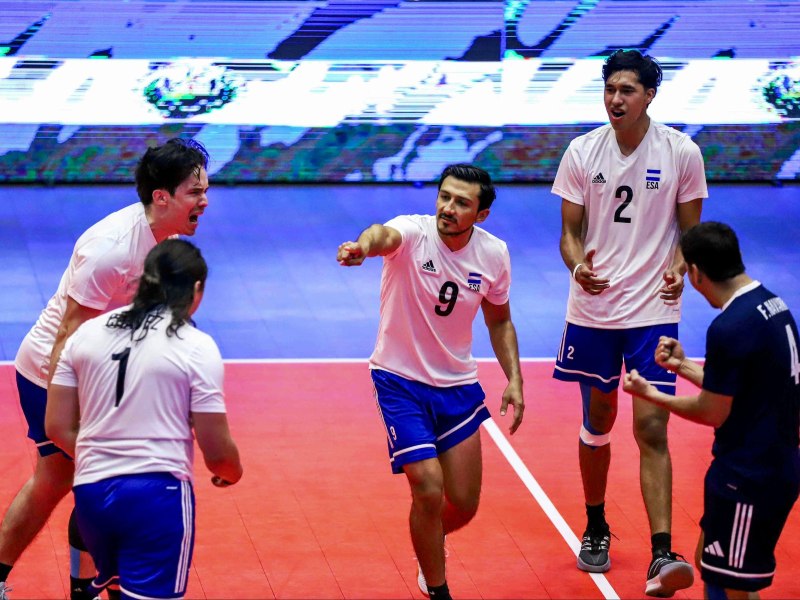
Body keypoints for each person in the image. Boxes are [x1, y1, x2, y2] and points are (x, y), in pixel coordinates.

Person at [1, 138, 210, 599]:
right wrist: (64, 413)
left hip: (97, 372)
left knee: (63, 480)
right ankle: (90, 585)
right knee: (84, 479)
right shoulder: (111, 250)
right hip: (50, 373)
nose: (204, 201)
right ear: (163, 197)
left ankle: (83, 583)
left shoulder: (164, 238)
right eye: (195, 192)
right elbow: (67, 335)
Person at [551, 48, 708, 596]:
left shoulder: (682, 152)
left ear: (649, 95)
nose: (616, 99)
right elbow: (569, 233)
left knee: (650, 427)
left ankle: (663, 551)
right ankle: (596, 524)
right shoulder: (581, 151)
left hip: (653, 313)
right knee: (599, 417)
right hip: (594, 311)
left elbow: (688, 234)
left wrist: (678, 267)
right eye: (610, 89)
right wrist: (578, 266)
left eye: (627, 90)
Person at [337, 164, 525, 600]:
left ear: (481, 215)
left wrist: (514, 378)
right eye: (444, 196)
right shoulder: (414, 233)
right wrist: (362, 248)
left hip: (457, 384)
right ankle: (437, 588)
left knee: (463, 503)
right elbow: (381, 234)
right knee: (427, 485)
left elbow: (500, 322)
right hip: (399, 380)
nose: (448, 207)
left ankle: (429, 546)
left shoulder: (494, 255)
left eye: (461, 202)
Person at [45, 238, 243, 600]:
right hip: (157, 497)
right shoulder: (195, 345)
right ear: (196, 289)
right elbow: (216, 451)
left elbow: (56, 427)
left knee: (118, 590)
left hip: (92, 495)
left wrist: (100, 454)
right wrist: (231, 472)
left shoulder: (86, 334)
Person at [623, 221, 800, 599]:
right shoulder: (773, 304)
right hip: (768, 465)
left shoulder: (728, 327)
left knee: (735, 588)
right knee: (708, 561)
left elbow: (711, 412)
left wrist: (650, 393)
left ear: (696, 273)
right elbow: (744, 389)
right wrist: (682, 367)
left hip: (750, 475)